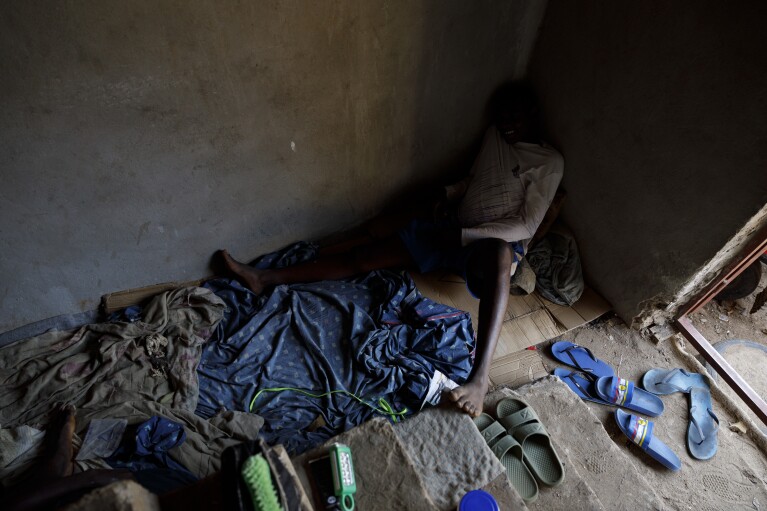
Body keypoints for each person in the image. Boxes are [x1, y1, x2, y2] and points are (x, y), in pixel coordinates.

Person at [219, 83, 563, 417]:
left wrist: (465, 236)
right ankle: (265, 277)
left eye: (514, 117)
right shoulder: (495, 136)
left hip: (481, 247)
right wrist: (447, 195)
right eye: (502, 117)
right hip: (453, 228)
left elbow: (526, 226)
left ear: (532, 113)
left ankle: (479, 378)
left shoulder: (548, 161)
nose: (507, 124)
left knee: (502, 254)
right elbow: (474, 181)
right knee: (366, 257)